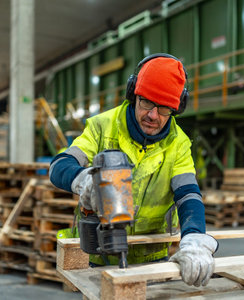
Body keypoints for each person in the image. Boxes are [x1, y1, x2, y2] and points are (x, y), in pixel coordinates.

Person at [49, 53, 218, 287]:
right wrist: (84, 180)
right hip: (99, 253)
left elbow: (188, 195)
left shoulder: (179, 144)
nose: (152, 115)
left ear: (177, 108)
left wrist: (194, 239)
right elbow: (59, 166)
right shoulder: (102, 126)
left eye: (164, 109)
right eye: (146, 102)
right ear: (133, 94)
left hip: (152, 258)